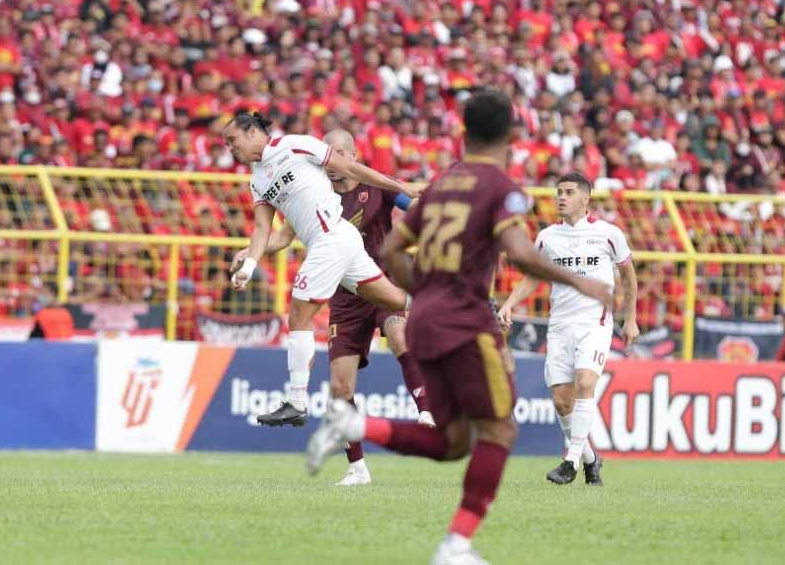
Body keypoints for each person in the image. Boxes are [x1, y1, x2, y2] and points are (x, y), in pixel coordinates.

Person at [306, 90, 610, 565]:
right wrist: (581, 282)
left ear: (464, 133)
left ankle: (354, 423)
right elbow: (522, 252)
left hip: (425, 318)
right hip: (466, 324)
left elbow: (389, 254)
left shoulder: (444, 183)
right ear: (510, 135)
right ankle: (456, 546)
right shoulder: (499, 186)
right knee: (499, 430)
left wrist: (426, 292)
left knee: (453, 442)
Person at [232, 129, 434, 486]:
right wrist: (249, 260)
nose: (230, 148)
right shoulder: (286, 184)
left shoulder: (299, 147)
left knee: (303, 316)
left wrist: (408, 191)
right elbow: (271, 233)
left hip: (334, 245)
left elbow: (408, 203)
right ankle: (357, 468)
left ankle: (297, 400)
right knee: (345, 380)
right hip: (345, 273)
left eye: (233, 140)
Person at [497, 172, 640, 486]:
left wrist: (630, 318)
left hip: (595, 323)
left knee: (586, 381)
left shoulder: (608, 233)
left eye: (569, 192)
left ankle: (570, 461)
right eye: (559, 192)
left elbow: (628, 275)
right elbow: (534, 276)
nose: (561, 197)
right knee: (563, 401)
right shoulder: (548, 237)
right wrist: (509, 303)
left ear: (585, 198)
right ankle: (590, 459)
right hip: (560, 325)